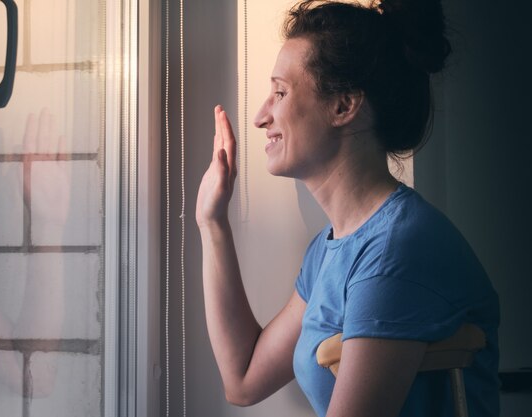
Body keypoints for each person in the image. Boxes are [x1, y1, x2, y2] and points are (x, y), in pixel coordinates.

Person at [194, 0, 500, 416]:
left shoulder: (398, 251)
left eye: (280, 92)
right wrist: (213, 225)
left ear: (343, 106)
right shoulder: (331, 249)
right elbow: (244, 379)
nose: (261, 117)